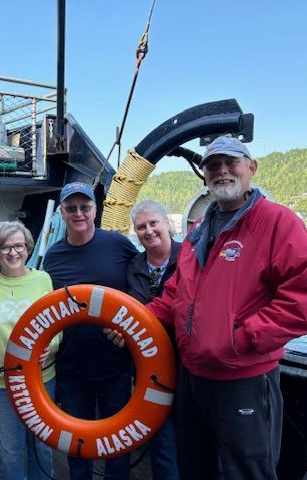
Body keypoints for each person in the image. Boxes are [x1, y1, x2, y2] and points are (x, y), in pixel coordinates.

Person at [113, 136, 307, 479]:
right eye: (213, 165)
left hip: (242, 380)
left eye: (232, 163)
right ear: (205, 176)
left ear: (251, 168)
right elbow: (174, 296)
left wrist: (240, 339)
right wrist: (132, 322)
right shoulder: (198, 231)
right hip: (193, 379)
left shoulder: (278, 223)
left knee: (246, 472)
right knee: (195, 468)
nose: (222, 171)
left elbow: (305, 303)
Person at [42, 181, 139, 480]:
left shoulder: (118, 244)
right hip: (73, 368)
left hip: (116, 365)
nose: (79, 213)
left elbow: (142, 284)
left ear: (95, 210)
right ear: (62, 213)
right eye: (71, 208)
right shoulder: (53, 256)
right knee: (77, 444)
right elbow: (46, 311)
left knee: (119, 442)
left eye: (85, 207)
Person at [0, 221, 61, 480]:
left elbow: (56, 324)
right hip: (0, 382)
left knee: (42, 445)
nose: (13, 253)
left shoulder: (42, 279)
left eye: (19, 246)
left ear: (28, 248)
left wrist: (52, 347)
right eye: (5, 247)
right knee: (10, 450)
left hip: (40, 379)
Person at [126, 200, 180, 479]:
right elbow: (123, 313)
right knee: (162, 443)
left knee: (197, 441)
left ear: (166, 223)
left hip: (189, 369)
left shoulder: (192, 259)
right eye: (141, 227)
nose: (148, 231)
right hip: (149, 372)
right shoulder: (132, 266)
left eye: (153, 223)